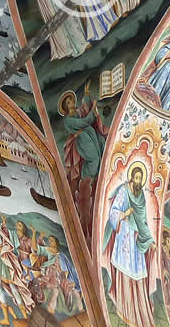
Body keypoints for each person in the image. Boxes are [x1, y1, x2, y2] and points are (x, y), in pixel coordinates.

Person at [103, 164, 157, 327]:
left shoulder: (140, 195)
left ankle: (138, 310)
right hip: (125, 236)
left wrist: (149, 238)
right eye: (136, 177)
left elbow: (143, 220)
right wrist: (125, 214)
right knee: (125, 271)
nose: (138, 180)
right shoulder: (123, 190)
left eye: (141, 178)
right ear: (132, 177)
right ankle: (124, 308)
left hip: (136, 237)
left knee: (138, 274)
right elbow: (113, 212)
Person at [60, 84, 106, 237]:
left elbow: (85, 109)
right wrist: (92, 112)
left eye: (71, 101)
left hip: (90, 134)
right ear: (65, 107)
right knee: (93, 159)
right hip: (83, 139)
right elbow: (84, 121)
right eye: (68, 103)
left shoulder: (79, 111)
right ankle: (89, 178)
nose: (71, 103)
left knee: (101, 152)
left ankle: (98, 177)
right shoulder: (68, 121)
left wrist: (87, 94)